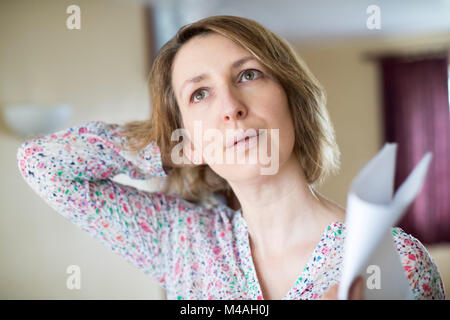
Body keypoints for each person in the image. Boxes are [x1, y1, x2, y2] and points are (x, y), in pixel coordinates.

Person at [17, 15, 445, 300]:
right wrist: (173, 144)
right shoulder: (180, 241)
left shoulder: (397, 263)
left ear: (292, 98)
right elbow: (42, 164)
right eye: (199, 93)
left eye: (248, 74)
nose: (231, 107)